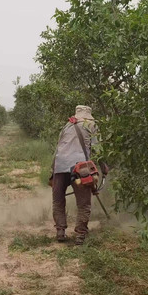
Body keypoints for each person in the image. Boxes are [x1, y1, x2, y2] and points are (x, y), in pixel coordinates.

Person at [50, 105, 99, 245]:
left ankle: (60, 231)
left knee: (58, 200)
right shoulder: (91, 125)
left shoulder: (67, 125)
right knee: (84, 203)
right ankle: (80, 234)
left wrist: (52, 171)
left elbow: (58, 147)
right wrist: (103, 167)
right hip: (80, 168)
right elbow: (97, 149)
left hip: (59, 165)